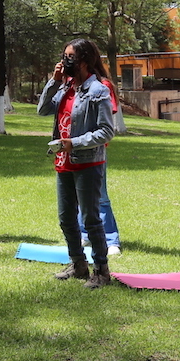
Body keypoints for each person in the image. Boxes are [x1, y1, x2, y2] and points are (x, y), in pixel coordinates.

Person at [38, 39, 117, 288]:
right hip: (64, 161)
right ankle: (78, 264)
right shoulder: (65, 87)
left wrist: (75, 142)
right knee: (66, 218)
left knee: (91, 219)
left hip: (88, 164)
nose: (65, 61)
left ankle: (101, 271)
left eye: (70, 57)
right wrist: (54, 81)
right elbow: (42, 110)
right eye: (64, 56)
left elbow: (106, 132)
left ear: (84, 61)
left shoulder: (98, 90)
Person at [80, 75, 122, 255]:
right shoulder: (72, 84)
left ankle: (111, 239)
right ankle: (85, 234)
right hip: (73, 148)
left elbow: (107, 116)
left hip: (95, 150)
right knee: (78, 195)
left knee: (100, 195)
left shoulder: (102, 86)